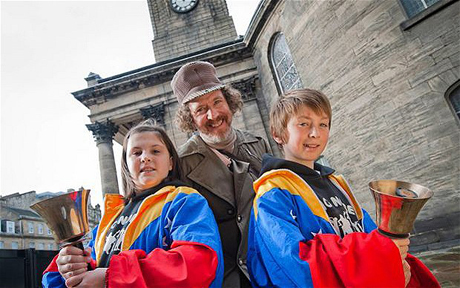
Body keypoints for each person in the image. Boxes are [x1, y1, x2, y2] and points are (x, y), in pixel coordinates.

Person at [247, 89, 440, 287]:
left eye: (323, 124)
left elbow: (368, 233)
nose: (315, 133)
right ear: (278, 134)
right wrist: (378, 251)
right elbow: (293, 263)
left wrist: (392, 255)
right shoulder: (272, 192)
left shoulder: (336, 182)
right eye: (304, 124)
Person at [42, 120, 224, 288]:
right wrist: (67, 266)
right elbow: (78, 272)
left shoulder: (184, 200)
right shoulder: (111, 217)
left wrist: (111, 276)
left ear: (170, 163)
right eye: (136, 153)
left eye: (155, 151)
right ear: (126, 165)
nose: (145, 157)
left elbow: (198, 264)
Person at [171, 61, 271, 288]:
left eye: (217, 102)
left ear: (229, 101)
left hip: (270, 268)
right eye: (200, 110)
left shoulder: (258, 144)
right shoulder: (181, 163)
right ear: (190, 119)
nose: (213, 114)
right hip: (226, 278)